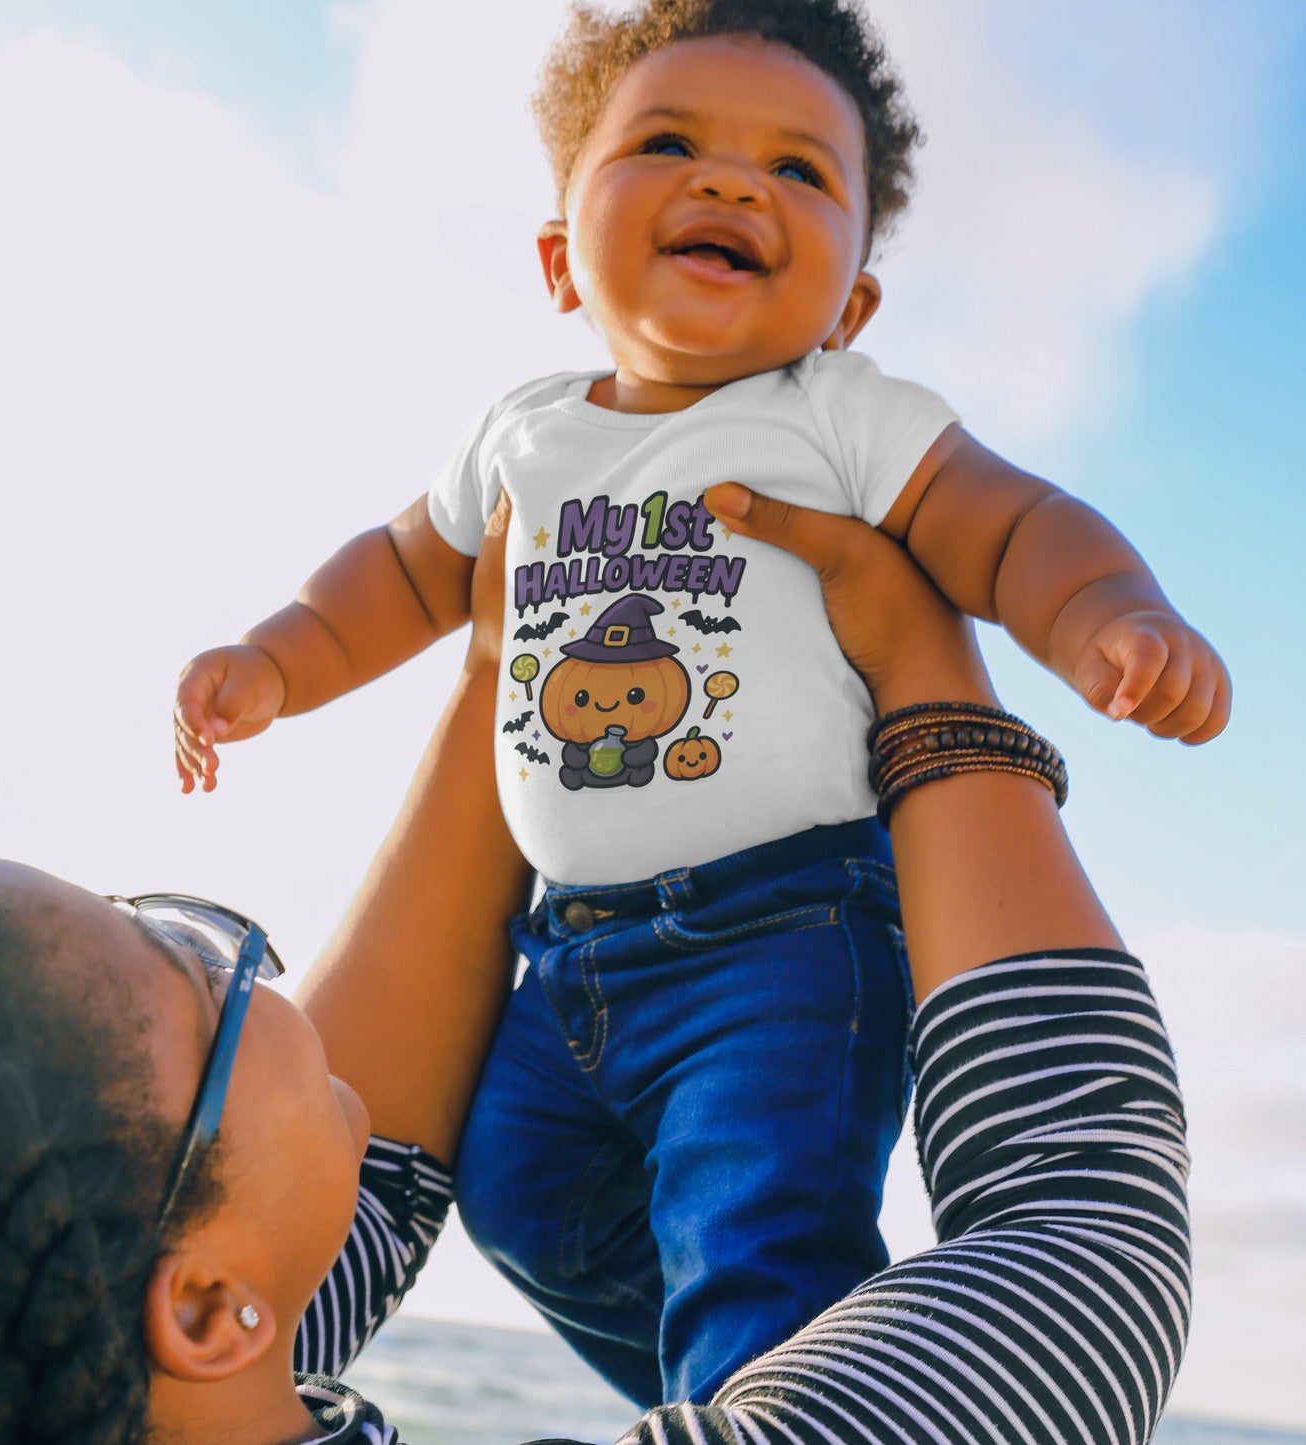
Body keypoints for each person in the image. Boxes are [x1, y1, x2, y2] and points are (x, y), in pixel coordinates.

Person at [172, 0, 1218, 1407]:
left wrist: (1107, 614)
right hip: (566, 952)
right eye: (667, 142)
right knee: (518, 1193)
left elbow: (1013, 520)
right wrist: (280, 657)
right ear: (557, 258)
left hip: (784, 936)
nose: (732, 181)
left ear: (848, 302)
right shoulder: (522, 433)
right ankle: (744, 1387)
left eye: (800, 170)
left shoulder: (836, 413)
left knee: (755, 1229)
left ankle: (766, 1373)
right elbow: (405, 571)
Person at [0, 489, 1188, 1442]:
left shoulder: (125, 1359)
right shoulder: (187, 1313)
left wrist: (510, 661)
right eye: (189, 962)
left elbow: (357, 1192)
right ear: (208, 1309)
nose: (261, 968)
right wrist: (920, 664)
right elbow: (1080, 1232)